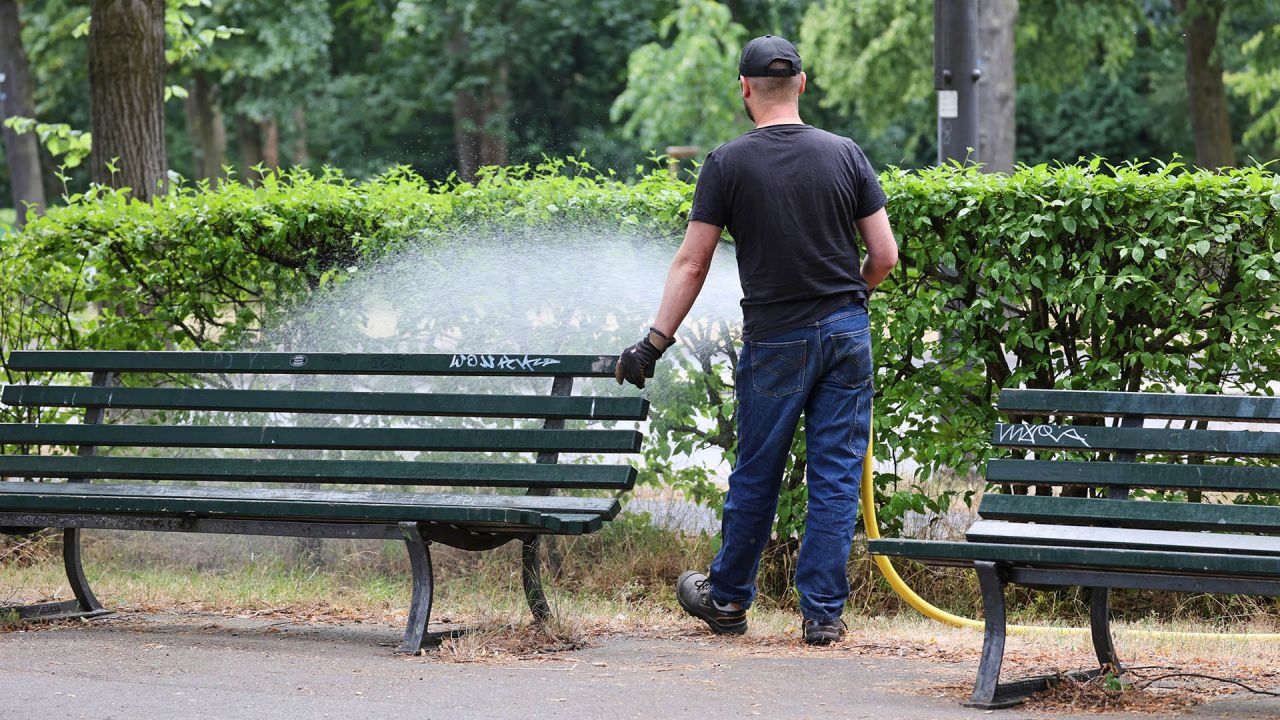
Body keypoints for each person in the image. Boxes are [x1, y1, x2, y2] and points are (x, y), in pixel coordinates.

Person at [614, 35, 899, 646]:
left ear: (744, 89)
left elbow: (692, 265)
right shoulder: (846, 155)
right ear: (802, 83)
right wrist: (852, 300)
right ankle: (823, 615)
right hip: (847, 333)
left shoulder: (727, 163)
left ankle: (727, 600)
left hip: (776, 340)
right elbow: (884, 256)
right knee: (836, 476)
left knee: (757, 472)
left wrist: (653, 344)